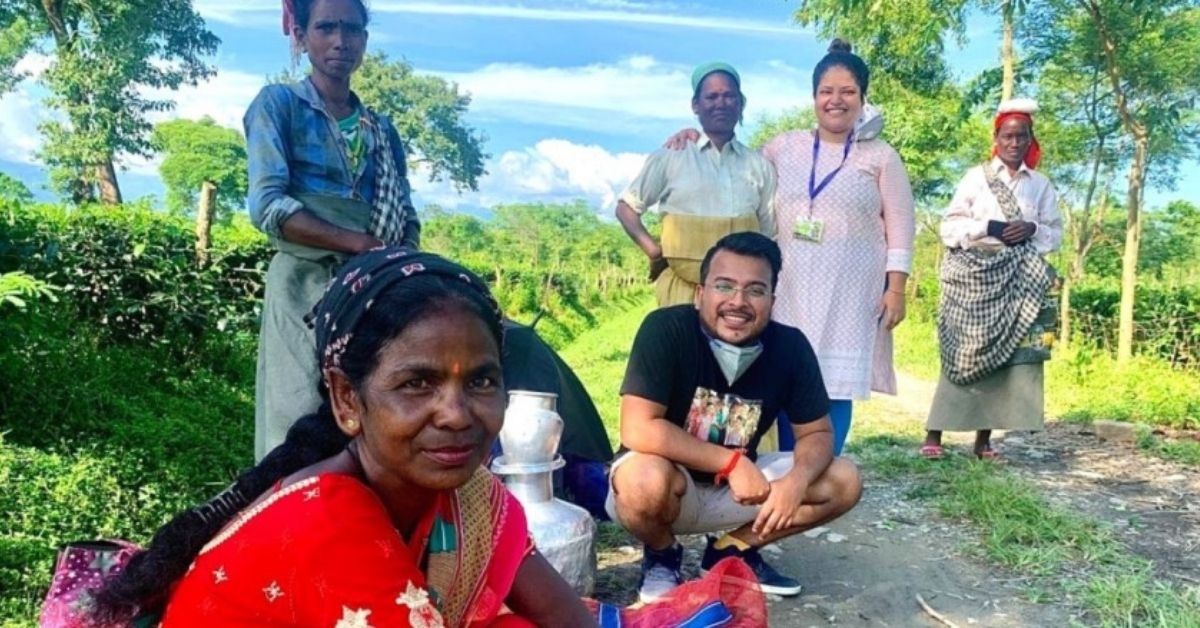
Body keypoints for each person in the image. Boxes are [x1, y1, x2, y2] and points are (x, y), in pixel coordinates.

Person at [89, 249, 594, 627]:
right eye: (417, 383)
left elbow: (565, 618)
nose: (457, 414)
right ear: (347, 399)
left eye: (481, 380)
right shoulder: (327, 522)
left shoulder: (470, 498)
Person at [663, 41, 915, 456]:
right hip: (788, 291)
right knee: (772, 371)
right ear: (814, 97)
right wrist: (699, 136)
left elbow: (902, 224)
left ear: (863, 98)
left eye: (847, 91)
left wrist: (896, 288)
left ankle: (819, 473)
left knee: (832, 386)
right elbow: (740, 169)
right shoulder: (784, 146)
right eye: (826, 91)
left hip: (849, 297)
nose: (836, 100)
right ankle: (765, 471)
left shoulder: (881, 156)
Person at [606, 232, 863, 602]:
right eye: (724, 286)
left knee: (844, 479)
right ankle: (663, 554)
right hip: (671, 484)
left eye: (755, 290)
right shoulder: (666, 329)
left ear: (773, 301)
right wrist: (730, 463)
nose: (737, 302)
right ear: (700, 293)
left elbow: (817, 432)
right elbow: (637, 427)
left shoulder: (790, 347)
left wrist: (797, 481)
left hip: (741, 494)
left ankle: (731, 550)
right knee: (641, 479)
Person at [246, 0, 420, 460]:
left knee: (372, 408)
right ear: (301, 36)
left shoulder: (380, 129)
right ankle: (292, 522)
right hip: (303, 285)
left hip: (372, 288)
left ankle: (362, 523)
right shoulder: (278, 106)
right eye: (325, 28)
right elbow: (268, 205)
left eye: (352, 29)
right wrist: (358, 244)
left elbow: (405, 215)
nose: (340, 41)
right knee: (298, 415)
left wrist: (401, 274)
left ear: (364, 39)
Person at [922, 99, 1063, 460]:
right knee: (961, 351)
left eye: (1021, 137)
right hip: (973, 276)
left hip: (1016, 280)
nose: (1014, 143)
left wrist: (1031, 228)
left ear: (1031, 140)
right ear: (996, 139)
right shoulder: (976, 177)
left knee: (1004, 355)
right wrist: (988, 227)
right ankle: (934, 435)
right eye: (1007, 136)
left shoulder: (1041, 186)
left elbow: (1053, 235)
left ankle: (984, 440)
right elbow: (949, 227)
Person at [616, 62, 776, 308]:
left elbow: (767, 232)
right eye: (711, 96)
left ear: (741, 103)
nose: (720, 103)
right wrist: (654, 252)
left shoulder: (759, 166)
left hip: (739, 302)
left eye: (729, 96)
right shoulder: (671, 156)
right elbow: (626, 208)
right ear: (695, 105)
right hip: (681, 294)